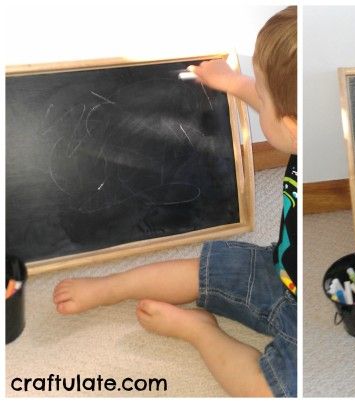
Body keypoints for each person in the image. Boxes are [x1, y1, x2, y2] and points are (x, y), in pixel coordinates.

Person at [53, 6, 297, 397]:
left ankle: (199, 332)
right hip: (277, 269)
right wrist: (233, 82)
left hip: (304, 314)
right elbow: (277, 107)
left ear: (288, 126)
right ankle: (108, 288)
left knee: (269, 391)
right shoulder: (299, 130)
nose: (256, 94)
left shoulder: (300, 135)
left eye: (261, 94)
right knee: (197, 269)